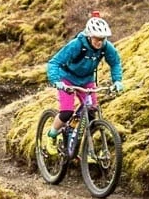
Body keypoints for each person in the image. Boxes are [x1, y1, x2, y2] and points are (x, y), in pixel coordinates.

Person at [46, 12, 124, 155]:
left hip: (87, 81)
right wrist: (57, 81)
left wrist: (117, 81)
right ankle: (51, 135)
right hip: (67, 79)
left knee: (92, 112)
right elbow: (54, 62)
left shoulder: (106, 47)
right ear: (89, 35)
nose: (99, 42)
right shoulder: (77, 45)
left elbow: (115, 63)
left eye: (102, 39)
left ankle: (85, 150)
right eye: (96, 39)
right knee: (66, 112)